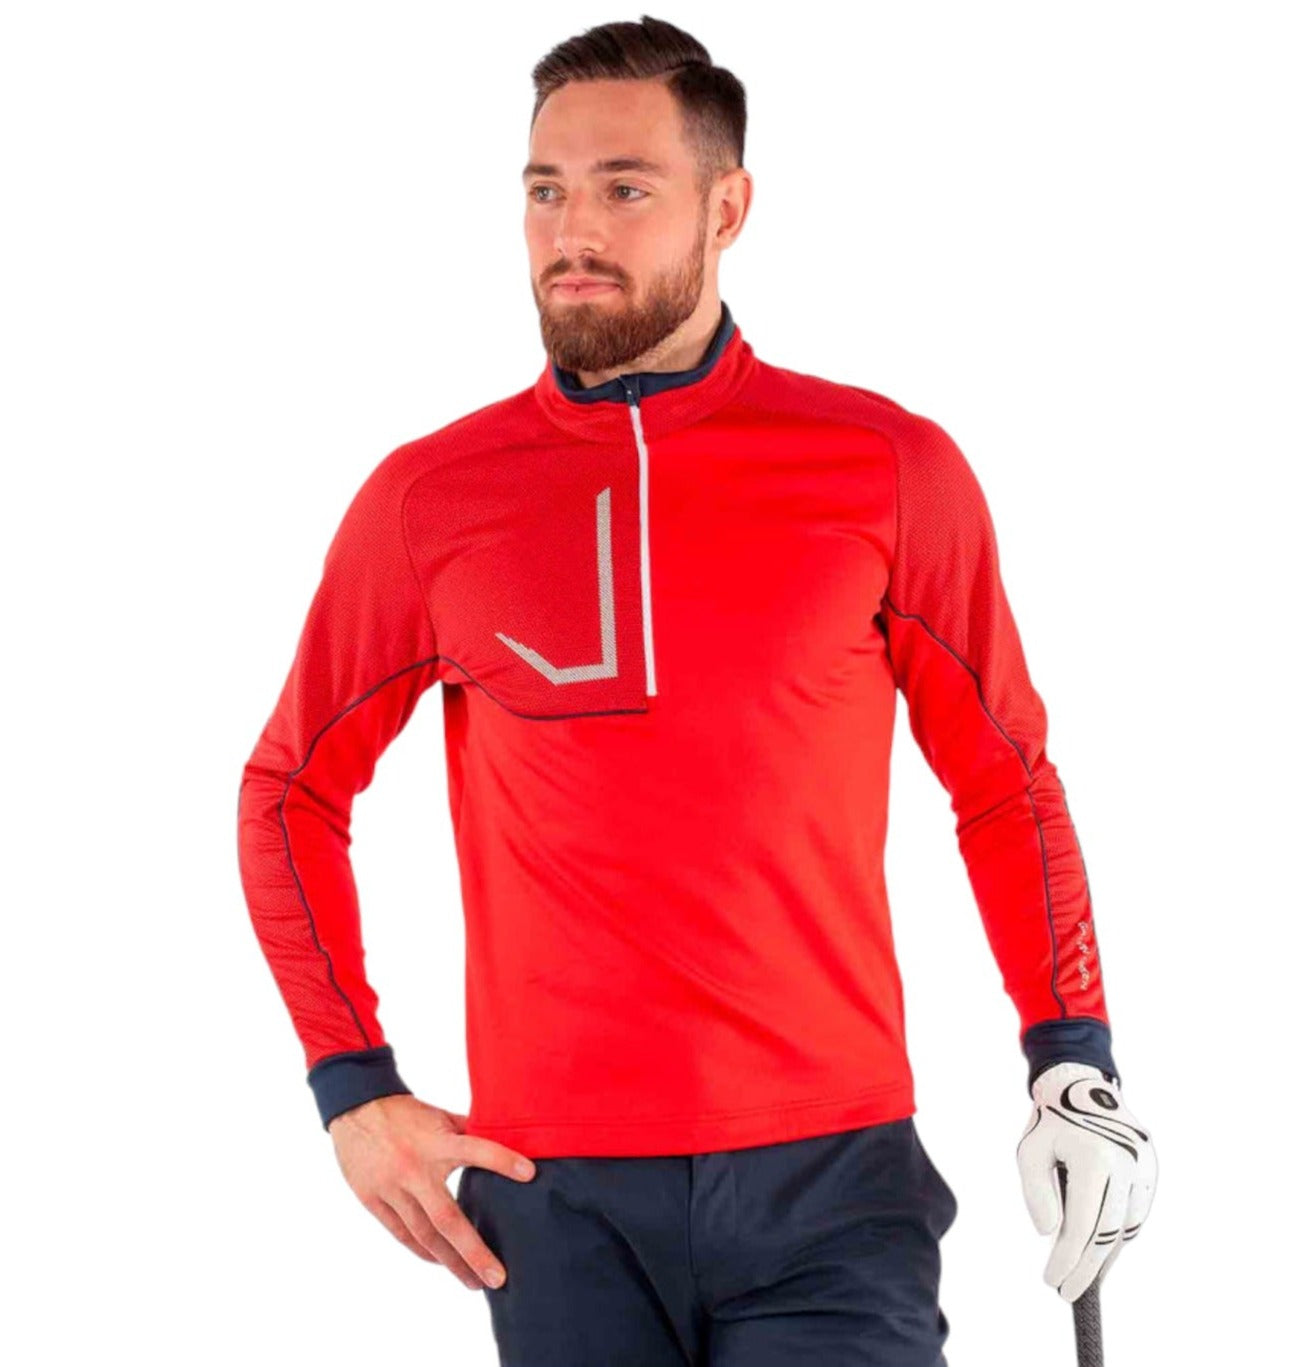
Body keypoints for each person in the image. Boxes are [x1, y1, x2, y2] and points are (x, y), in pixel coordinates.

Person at [236, 14, 1158, 1365]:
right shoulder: (431, 500)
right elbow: (290, 790)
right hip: (553, 1195)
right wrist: (350, 1086)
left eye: (625, 188)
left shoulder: (886, 467)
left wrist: (1072, 1058)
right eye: (545, 189)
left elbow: (1004, 782)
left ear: (728, 208)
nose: (572, 231)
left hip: (833, 1179)